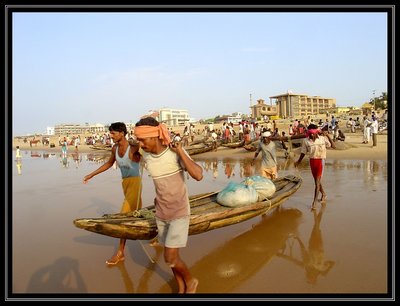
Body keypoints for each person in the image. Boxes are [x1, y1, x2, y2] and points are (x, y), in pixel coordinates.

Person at [134, 117, 203, 294]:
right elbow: (132, 152)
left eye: (142, 139)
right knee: (171, 259)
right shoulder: (147, 156)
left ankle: (191, 281)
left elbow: (198, 175)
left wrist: (180, 152)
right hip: (161, 213)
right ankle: (181, 287)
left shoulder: (174, 152)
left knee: (169, 256)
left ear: (155, 135)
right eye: (138, 140)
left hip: (179, 212)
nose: (140, 144)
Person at [83, 122, 142, 266]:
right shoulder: (114, 148)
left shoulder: (134, 147)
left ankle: (120, 253)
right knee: (138, 213)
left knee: (123, 217)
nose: (111, 135)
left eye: (113, 133)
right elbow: (109, 163)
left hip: (135, 184)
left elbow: (149, 152)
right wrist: (91, 175)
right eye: (110, 133)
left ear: (122, 133)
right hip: (125, 184)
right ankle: (156, 236)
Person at [294, 124, 334, 210]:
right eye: (310, 133)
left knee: (317, 182)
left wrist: (327, 135)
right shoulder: (306, 141)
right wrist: (298, 161)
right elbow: (303, 152)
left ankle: (314, 202)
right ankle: (323, 194)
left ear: (317, 132)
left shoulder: (322, 139)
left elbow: (333, 146)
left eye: (313, 133)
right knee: (317, 181)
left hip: (320, 160)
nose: (312, 135)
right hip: (312, 161)